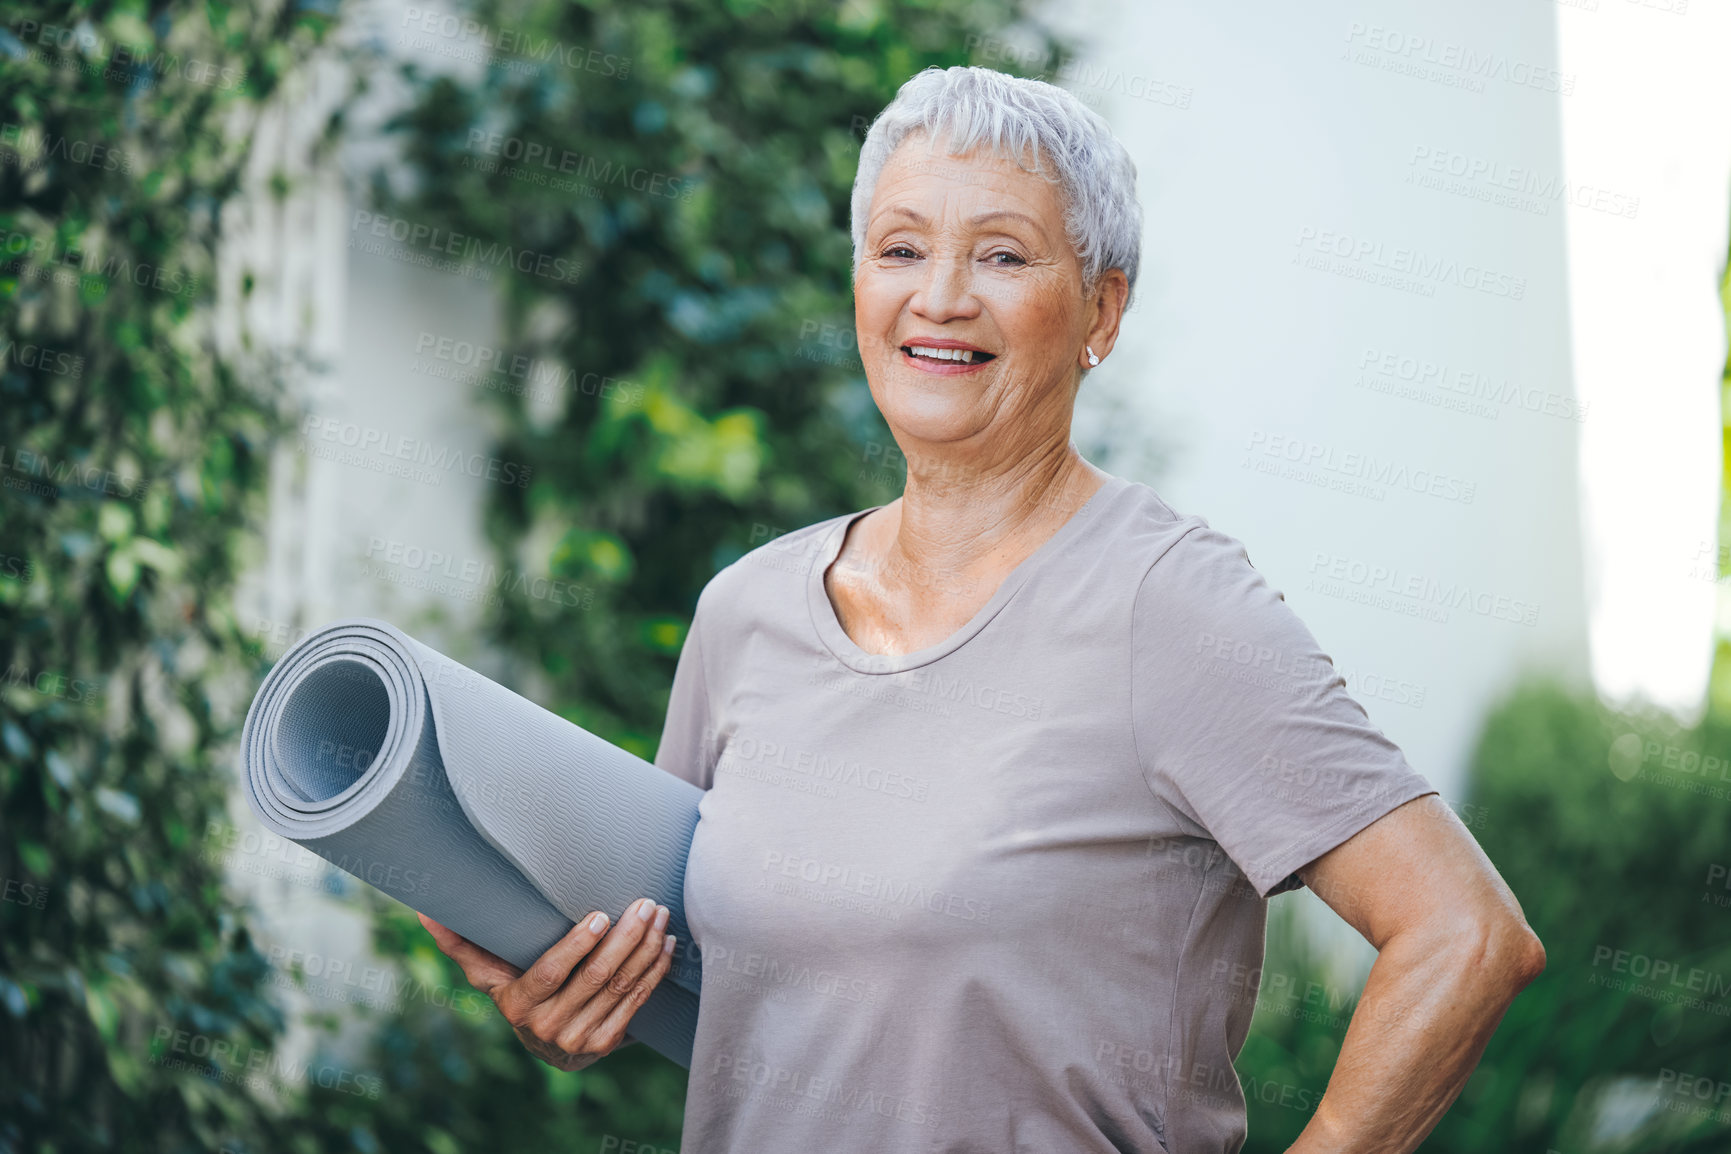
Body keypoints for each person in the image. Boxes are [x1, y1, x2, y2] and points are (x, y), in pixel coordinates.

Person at [423, 64, 1546, 1152]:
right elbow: (704, 982)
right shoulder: (747, 609)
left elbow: (1464, 932)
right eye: (900, 247)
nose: (940, 296)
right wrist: (561, 1008)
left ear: (1102, 309)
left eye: (1002, 253)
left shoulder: (1169, 602)